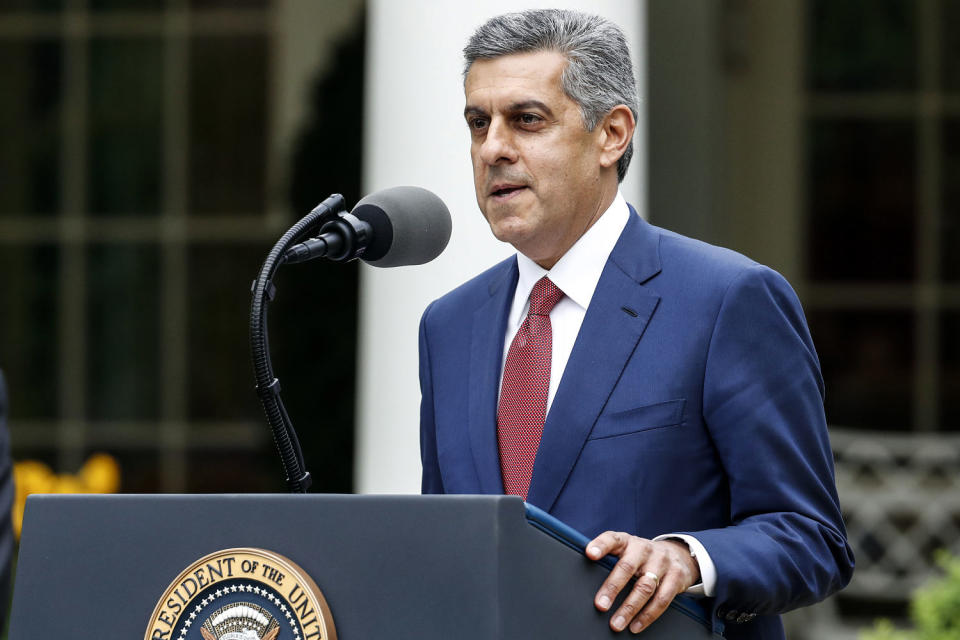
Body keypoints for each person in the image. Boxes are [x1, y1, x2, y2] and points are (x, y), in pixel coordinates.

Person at [418, 9, 853, 639]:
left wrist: (686, 558)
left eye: (526, 120)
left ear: (611, 134)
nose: (493, 149)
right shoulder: (448, 325)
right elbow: (443, 544)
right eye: (478, 124)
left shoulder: (728, 299)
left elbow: (810, 538)